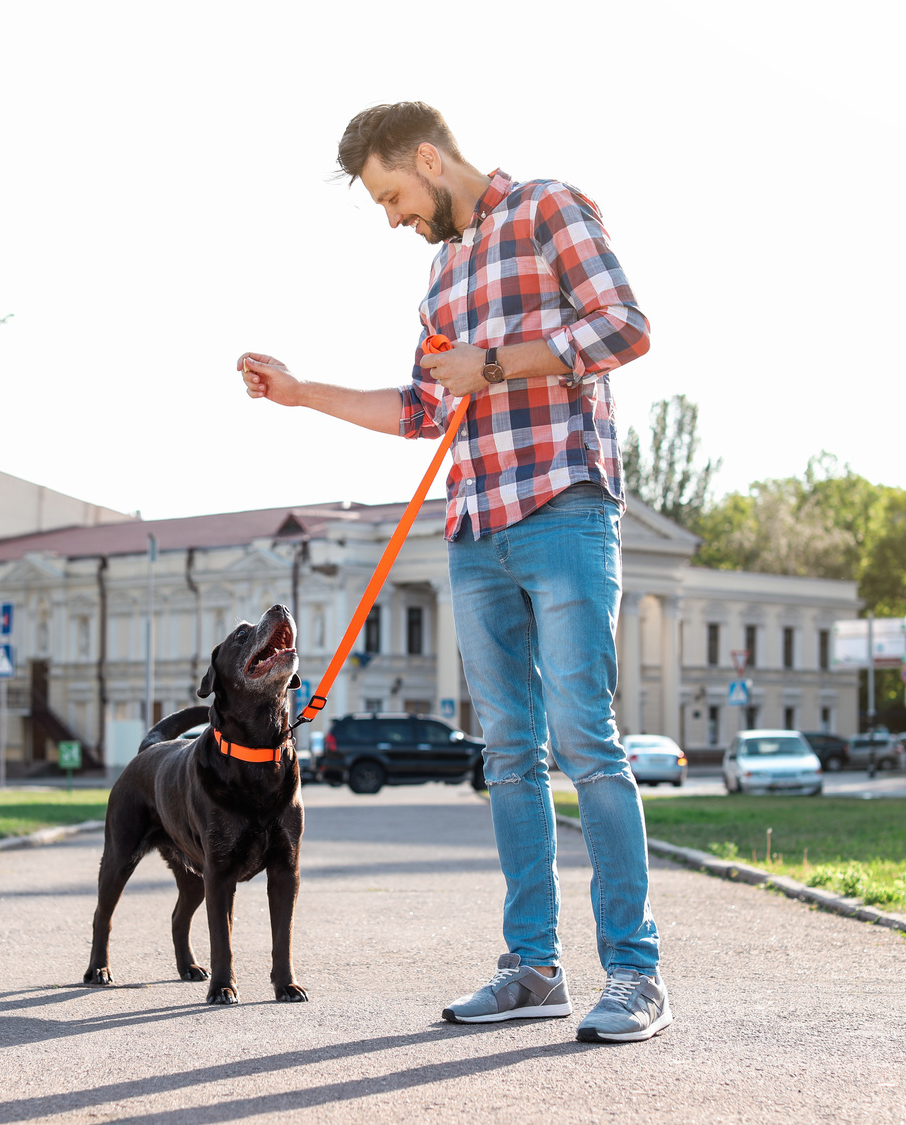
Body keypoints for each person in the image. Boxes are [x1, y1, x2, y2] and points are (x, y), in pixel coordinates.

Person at [235, 102, 667, 1044]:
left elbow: (628, 327)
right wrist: (304, 394)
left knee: (585, 739)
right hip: (475, 531)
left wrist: (503, 364)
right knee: (507, 756)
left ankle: (635, 975)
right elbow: (426, 406)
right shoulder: (440, 275)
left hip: (564, 508)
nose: (393, 218)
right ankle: (534, 968)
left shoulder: (550, 210)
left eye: (393, 195)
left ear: (429, 158)